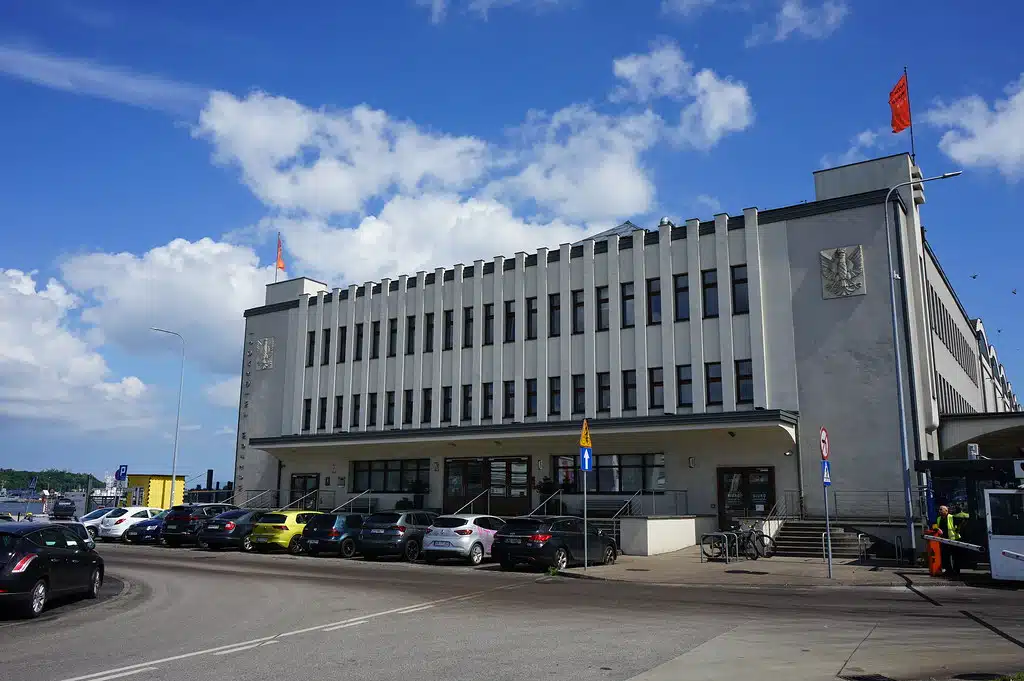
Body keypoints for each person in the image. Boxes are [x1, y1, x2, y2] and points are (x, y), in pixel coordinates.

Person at [931, 504, 970, 577]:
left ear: (946, 511)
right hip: (944, 540)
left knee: (956, 556)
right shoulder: (939, 518)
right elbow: (934, 525)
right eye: (939, 509)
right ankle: (949, 570)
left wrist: (958, 529)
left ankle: (956, 571)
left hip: (953, 540)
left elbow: (962, 521)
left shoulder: (952, 517)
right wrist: (937, 529)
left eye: (941, 509)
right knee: (945, 556)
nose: (939, 511)